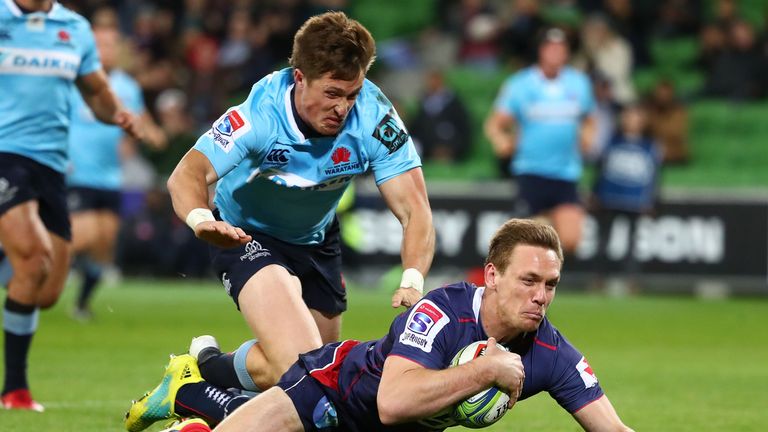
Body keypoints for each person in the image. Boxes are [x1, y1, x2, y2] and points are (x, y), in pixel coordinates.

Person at [157, 9, 434, 412]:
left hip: (316, 239)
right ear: (299, 78)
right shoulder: (261, 114)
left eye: (352, 94)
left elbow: (415, 209)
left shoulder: (374, 117)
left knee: (313, 376)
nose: (343, 108)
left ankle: (201, 373)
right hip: (245, 236)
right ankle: (200, 397)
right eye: (333, 93)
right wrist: (201, 220)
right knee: (306, 371)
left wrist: (412, 279)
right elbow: (186, 174)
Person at [124, 219, 633, 432]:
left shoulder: (551, 352)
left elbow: (612, 428)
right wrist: (486, 370)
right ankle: (188, 387)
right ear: (493, 275)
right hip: (334, 390)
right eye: (529, 280)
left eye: (551, 284)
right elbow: (392, 403)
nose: (541, 296)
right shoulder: (444, 310)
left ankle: (195, 380)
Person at [0, 0, 138, 411]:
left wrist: (118, 114)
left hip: (52, 166)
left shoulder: (74, 28)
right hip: (5, 155)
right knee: (33, 257)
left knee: (45, 291)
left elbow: (95, 90)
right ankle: (15, 390)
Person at [67, 24, 166, 321]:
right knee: (83, 236)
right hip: (76, 174)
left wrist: (153, 134)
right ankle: (23, 270)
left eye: (110, 45)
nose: (105, 51)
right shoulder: (74, 81)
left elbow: (141, 121)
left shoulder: (127, 87)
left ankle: (81, 305)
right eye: (99, 45)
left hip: (110, 177)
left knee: (104, 245)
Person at [485, 27, 595, 253]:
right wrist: (501, 141)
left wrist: (588, 137)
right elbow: (495, 123)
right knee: (526, 241)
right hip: (532, 170)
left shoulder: (578, 83)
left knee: (571, 239)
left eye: (560, 48)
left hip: (566, 171)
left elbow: (590, 119)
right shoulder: (521, 84)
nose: (555, 52)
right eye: (550, 47)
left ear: (567, 52)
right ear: (541, 51)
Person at [591, 104, 661, 293]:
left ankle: (631, 280)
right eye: (628, 117)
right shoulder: (612, 142)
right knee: (603, 242)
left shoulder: (650, 146)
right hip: (609, 198)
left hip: (635, 201)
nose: (631, 121)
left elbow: (655, 176)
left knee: (632, 244)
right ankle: (599, 279)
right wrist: (595, 192)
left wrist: (652, 200)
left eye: (636, 117)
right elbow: (601, 170)